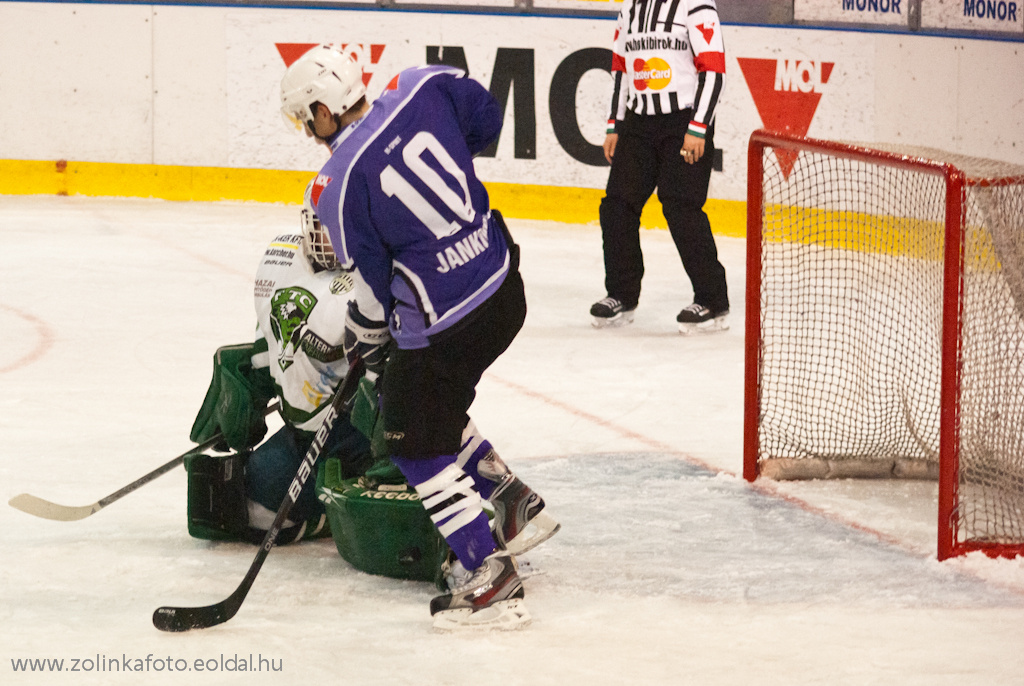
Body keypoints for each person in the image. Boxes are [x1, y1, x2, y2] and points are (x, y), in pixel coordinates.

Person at [279, 44, 559, 630]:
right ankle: (509, 501)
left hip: (449, 320)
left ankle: (490, 572)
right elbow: (484, 121)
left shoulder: (337, 182)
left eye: (309, 120)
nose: (311, 133)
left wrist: (357, 336)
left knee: (409, 438)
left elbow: (376, 294)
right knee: (423, 398)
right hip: (504, 286)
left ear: (325, 112)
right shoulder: (422, 83)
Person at [184, 180, 375, 546]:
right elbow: (271, 337)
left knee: (369, 516)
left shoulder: (377, 276)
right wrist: (251, 380)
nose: (332, 239)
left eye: (343, 228)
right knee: (240, 510)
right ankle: (323, 513)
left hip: (355, 432)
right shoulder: (282, 259)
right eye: (324, 226)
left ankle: (333, 512)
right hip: (303, 433)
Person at [590, 0, 730, 334]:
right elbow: (621, 69)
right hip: (638, 124)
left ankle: (712, 300)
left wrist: (698, 127)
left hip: (684, 121)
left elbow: (714, 69)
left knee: (681, 207)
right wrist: (615, 123)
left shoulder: (695, 4)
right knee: (617, 206)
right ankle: (621, 294)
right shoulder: (630, 8)